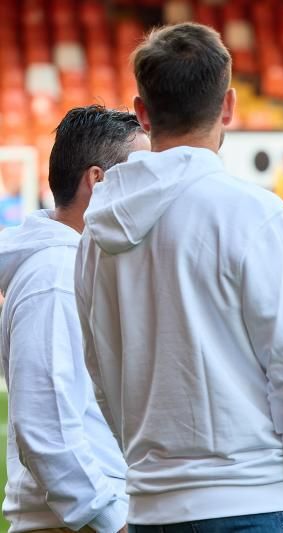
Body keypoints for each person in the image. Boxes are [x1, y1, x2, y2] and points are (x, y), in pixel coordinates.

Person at [73, 23, 283, 533]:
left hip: (154, 504)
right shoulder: (254, 214)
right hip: (264, 500)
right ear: (228, 106)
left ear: (142, 111)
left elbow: (102, 374)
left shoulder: (94, 236)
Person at [0, 105, 149, 533]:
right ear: (97, 181)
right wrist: (112, 521)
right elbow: (47, 429)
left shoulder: (77, 265)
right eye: (140, 175)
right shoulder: (53, 276)